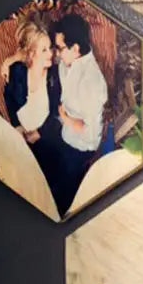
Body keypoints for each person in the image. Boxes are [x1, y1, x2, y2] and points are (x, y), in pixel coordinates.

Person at [51, 13, 108, 217]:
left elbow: (89, 134)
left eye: (59, 48)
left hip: (81, 148)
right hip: (65, 135)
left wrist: (64, 117)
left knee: (61, 199)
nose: (56, 54)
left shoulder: (91, 82)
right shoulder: (66, 63)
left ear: (75, 49)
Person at [2, 15, 63, 190]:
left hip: (48, 141)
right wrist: (17, 127)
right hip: (22, 139)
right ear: (30, 53)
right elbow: (10, 100)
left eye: (50, 48)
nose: (50, 53)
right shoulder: (16, 72)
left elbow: (59, 114)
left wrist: (40, 133)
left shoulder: (55, 77)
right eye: (44, 50)